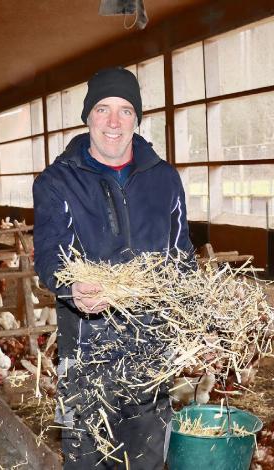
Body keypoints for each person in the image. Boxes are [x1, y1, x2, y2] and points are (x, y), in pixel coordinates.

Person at [33, 67, 194, 469]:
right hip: (86, 348)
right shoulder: (56, 182)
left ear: (137, 118)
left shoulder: (165, 179)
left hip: (152, 349)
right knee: (85, 459)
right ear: (87, 116)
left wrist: (195, 312)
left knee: (146, 459)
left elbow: (181, 256)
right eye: (103, 109)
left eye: (125, 111)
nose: (113, 122)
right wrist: (74, 289)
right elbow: (50, 257)